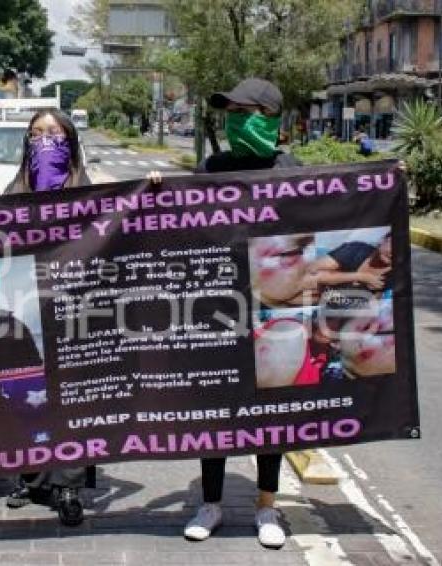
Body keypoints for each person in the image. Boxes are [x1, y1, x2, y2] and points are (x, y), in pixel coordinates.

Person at [184, 78, 302, 549]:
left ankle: (267, 506)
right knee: (214, 409)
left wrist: (387, 180)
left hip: (272, 313)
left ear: (270, 116)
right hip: (217, 312)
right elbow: (179, 225)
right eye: (229, 111)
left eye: (244, 110)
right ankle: (210, 502)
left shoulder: (292, 170)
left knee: (270, 412)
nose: (234, 118)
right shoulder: (211, 167)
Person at [2, 109, 96, 527]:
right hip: (26, 306)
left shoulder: (85, 190)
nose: (44, 142)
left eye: (53, 134)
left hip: (76, 308)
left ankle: (69, 483)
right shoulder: (13, 188)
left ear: (70, 141)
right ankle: (31, 475)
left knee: (73, 393)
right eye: (36, 134)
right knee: (29, 388)